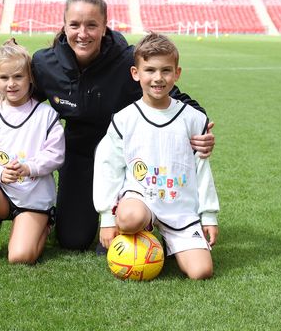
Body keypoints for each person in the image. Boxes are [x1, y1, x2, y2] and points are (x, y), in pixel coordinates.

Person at [0, 0, 215, 252]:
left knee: (128, 220)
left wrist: (202, 127)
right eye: (74, 25)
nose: (82, 34)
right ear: (64, 26)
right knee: (74, 240)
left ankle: (153, 223)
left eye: (92, 25)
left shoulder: (127, 62)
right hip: (79, 155)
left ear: (105, 27)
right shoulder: (46, 64)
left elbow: (174, 96)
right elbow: (14, 93)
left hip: (126, 157)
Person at [93, 32, 219, 280]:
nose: (158, 78)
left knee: (201, 272)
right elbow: (108, 166)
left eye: (166, 70)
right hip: (141, 200)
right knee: (129, 218)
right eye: (149, 70)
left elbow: (202, 169)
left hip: (180, 207)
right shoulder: (124, 119)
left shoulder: (193, 118)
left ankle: (172, 243)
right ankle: (144, 233)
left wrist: (209, 215)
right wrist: (107, 218)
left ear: (177, 73)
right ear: (135, 73)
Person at [0, 39, 65, 264]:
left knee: (19, 257)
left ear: (30, 78)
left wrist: (28, 168)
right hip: (1, 195)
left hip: (33, 198)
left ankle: (44, 224)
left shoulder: (45, 114)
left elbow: (56, 154)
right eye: (4, 77)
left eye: (18, 77)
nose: (11, 84)